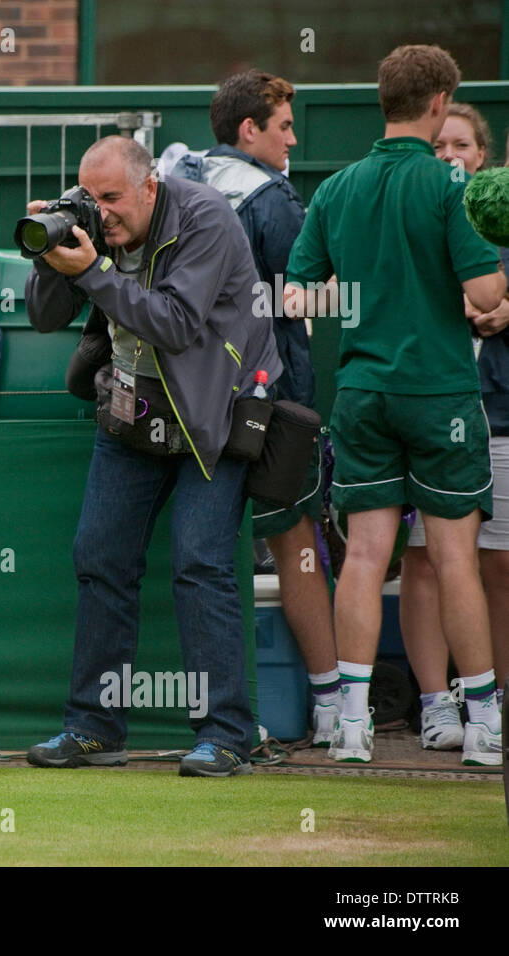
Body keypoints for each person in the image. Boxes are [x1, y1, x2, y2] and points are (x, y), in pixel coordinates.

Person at [25, 135, 281, 777]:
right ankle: (93, 729)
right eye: (90, 198)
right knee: (100, 556)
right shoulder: (92, 226)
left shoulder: (207, 218)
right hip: (134, 408)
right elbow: (43, 318)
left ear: (150, 188)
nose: (101, 212)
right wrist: (50, 256)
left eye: (113, 199)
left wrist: (92, 272)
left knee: (200, 562)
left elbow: (174, 323)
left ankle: (226, 734)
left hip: (213, 407)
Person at [285, 45, 507, 765]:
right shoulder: (452, 187)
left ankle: (352, 726)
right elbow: (484, 297)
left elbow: (297, 293)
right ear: (439, 102)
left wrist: (366, 294)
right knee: (454, 560)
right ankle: (482, 726)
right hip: (439, 392)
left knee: (366, 558)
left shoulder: (339, 187)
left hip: (362, 392)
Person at [177, 70, 340, 744]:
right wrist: (300, 412)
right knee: (292, 540)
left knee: (210, 556)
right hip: (259, 406)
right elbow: (291, 307)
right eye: (284, 126)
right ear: (250, 130)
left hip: (184, 408)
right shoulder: (273, 200)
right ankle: (331, 706)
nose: (293, 139)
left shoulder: (176, 181)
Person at [399, 101, 509, 762]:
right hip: (424, 413)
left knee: (496, 563)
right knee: (423, 559)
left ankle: (491, 702)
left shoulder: (498, 215)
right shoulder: (411, 215)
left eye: (461, 145)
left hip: (496, 415)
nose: (448, 155)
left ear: (481, 155)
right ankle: (435, 703)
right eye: (438, 143)